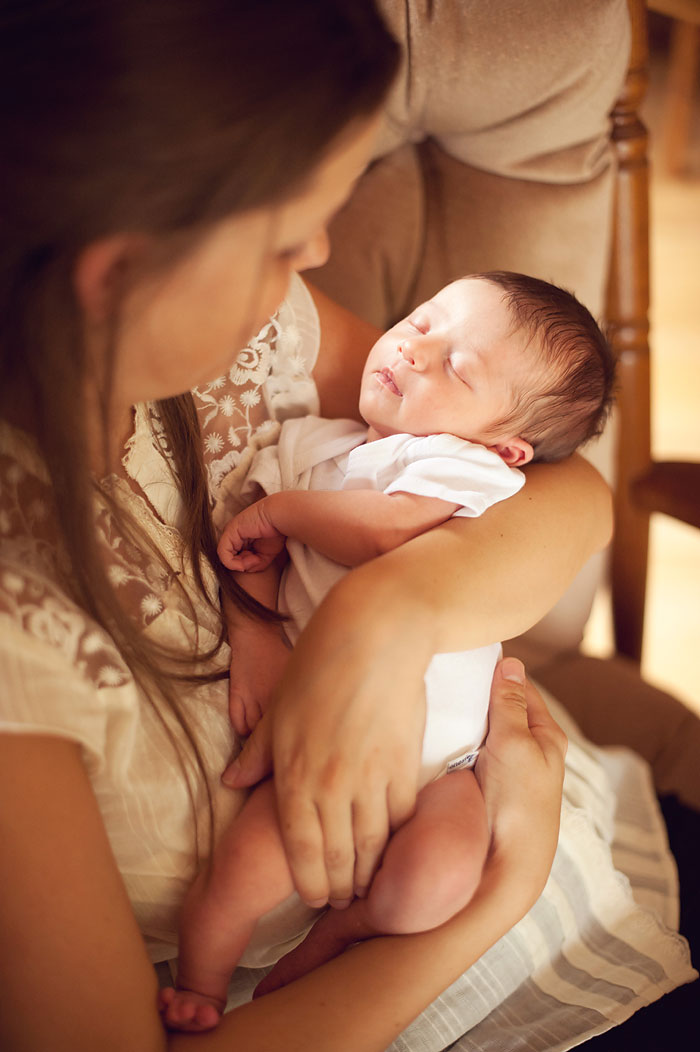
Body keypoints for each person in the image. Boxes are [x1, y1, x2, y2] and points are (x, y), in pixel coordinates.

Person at [0, 3, 612, 1050]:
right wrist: (503, 885)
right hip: (457, 933)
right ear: (116, 278)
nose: (319, 257)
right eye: (289, 235)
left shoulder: (241, 337)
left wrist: (384, 613)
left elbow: (571, 493)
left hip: (550, 825)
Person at [160, 270, 614, 1029]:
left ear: (507, 449)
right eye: (422, 320)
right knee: (243, 871)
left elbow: (384, 528)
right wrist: (255, 634)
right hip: (328, 735)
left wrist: (282, 511)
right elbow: (251, 552)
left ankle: (350, 932)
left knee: (433, 886)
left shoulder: (456, 466)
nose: (413, 347)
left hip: (452, 769)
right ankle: (200, 991)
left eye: (457, 367)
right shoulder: (307, 444)